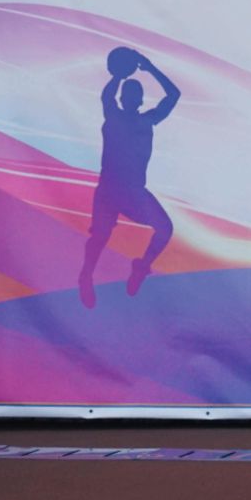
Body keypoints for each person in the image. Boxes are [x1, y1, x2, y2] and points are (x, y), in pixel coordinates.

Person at [79, 47, 180, 308]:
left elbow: (174, 95)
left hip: (134, 192)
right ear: (123, 98)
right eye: (128, 93)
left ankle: (141, 267)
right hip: (109, 191)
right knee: (100, 236)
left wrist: (149, 67)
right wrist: (119, 75)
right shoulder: (113, 116)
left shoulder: (148, 120)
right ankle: (86, 275)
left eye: (136, 94)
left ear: (141, 99)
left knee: (165, 229)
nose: (132, 97)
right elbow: (107, 96)